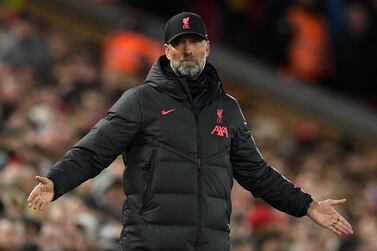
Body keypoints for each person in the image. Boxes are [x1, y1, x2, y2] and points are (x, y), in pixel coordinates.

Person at [27, 12, 353, 251]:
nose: (186, 50)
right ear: (167, 51)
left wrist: (307, 205)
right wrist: (57, 181)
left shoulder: (227, 109)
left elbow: (257, 173)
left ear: (207, 47)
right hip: (151, 243)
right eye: (178, 43)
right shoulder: (140, 100)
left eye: (194, 42)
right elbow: (93, 150)